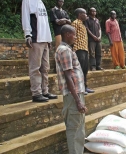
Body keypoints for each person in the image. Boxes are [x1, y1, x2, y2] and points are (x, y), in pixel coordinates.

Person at [21, 0, 57, 102]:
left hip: (45, 39)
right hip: (36, 38)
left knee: (45, 68)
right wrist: (28, 35)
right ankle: (36, 93)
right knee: (35, 67)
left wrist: (49, 39)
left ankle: (45, 91)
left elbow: (44, 22)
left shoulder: (41, 2)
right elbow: (25, 17)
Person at [55, 25, 87, 154]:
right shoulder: (64, 50)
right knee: (74, 128)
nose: (75, 37)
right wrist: (78, 101)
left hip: (76, 93)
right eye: (74, 34)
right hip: (73, 95)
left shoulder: (66, 49)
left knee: (79, 127)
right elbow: (68, 76)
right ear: (68, 34)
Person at [72, 8, 94, 94]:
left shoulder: (83, 24)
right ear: (80, 14)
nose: (86, 15)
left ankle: (85, 87)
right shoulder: (75, 23)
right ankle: (79, 88)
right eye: (85, 14)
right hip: (78, 49)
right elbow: (72, 36)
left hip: (84, 49)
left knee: (85, 69)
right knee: (79, 69)